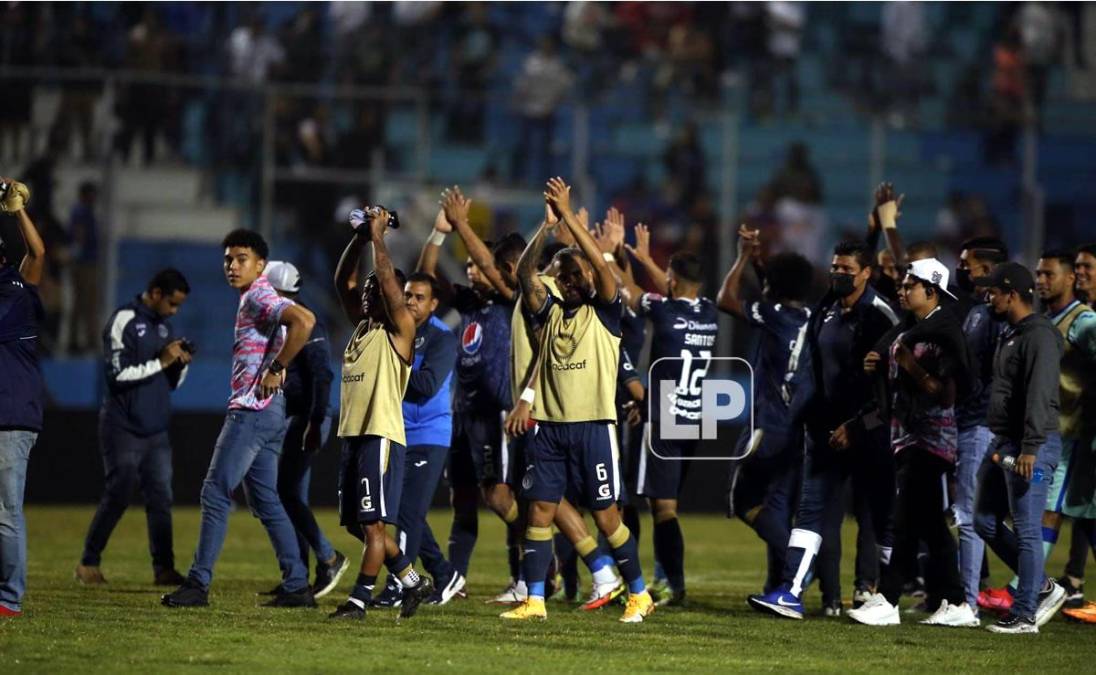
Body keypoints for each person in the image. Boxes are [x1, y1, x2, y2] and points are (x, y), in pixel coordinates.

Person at [501, 178, 653, 623]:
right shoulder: (547, 310)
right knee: (541, 511)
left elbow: (605, 275)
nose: (569, 281)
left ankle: (640, 594)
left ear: (588, 274)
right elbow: (526, 273)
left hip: (593, 426)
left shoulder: (605, 312)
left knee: (607, 518)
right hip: (548, 427)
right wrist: (546, 229)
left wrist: (569, 216)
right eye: (562, 276)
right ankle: (534, 600)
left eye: (575, 274)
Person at [161, 229, 318, 609]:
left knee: (215, 491)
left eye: (241, 258)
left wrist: (278, 366)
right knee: (266, 500)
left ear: (261, 265)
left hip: (252, 410)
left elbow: (306, 320)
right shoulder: (254, 296)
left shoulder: (260, 295)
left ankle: (197, 584)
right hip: (270, 411)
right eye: (228, 259)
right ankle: (297, 584)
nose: (232, 266)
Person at [748, 237, 899, 620]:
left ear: (866, 273)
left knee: (878, 518)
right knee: (811, 513)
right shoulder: (827, 309)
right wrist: (811, 418)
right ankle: (791, 593)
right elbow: (815, 370)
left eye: (847, 270)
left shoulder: (882, 316)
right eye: (835, 267)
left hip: (871, 433)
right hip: (826, 433)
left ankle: (891, 596)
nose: (839, 274)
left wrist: (859, 426)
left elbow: (893, 390)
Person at [849, 259, 978, 627]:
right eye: (903, 286)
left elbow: (948, 394)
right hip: (908, 436)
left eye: (910, 287)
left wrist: (910, 367)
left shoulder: (945, 332)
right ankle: (957, 604)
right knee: (929, 525)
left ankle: (887, 599)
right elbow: (889, 349)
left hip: (932, 439)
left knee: (906, 520)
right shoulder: (916, 324)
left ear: (931, 291)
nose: (903, 292)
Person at [415, 189, 525, 600]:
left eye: (478, 268)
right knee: (462, 496)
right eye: (470, 268)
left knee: (499, 496)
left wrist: (463, 224)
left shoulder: (511, 302)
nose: (472, 273)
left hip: (495, 413)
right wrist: (438, 233)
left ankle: (531, 568)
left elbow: (492, 271)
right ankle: (455, 578)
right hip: (462, 411)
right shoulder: (470, 304)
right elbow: (423, 283)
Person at [327, 208, 433, 620]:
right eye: (367, 288)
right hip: (354, 434)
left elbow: (389, 285)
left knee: (374, 529)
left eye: (377, 287)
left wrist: (378, 238)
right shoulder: (364, 327)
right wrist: (359, 238)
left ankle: (358, 602)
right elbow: (342, 282)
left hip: (381, 434)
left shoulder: (400, 328)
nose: (369, 292)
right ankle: (411, 581)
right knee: (357, 524)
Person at [76, 269, 192, 587]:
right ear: (155, 293)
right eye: (172, 303)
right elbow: (116, 375)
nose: (174, 311)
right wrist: (161, 363)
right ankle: (89, 562)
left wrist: (179, 367)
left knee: (161, 499)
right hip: (122, 426)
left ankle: (164, 569)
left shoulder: (165, 327)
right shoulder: (123, 320)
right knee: (119, 491)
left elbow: (169, 385)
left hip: (156, 430)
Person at [617, 243, 718, 608]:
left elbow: (627, 293)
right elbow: (674, 292)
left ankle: (669, 582)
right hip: (696, 415)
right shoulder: (708, 312)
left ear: (672, 281)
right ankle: (669, 579)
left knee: (661, 507)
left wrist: (622, 258)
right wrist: (647, 260)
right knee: (667, 505)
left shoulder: (662, 312)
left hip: (662, 414)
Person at [718, 225, 813, 606]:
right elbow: (774, 294)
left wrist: (742, 257)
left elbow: (726, 299)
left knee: (741, 501)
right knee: (777, 505)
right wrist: (761, 262)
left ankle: (799, 562)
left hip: (766, 426)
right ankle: (780, 587)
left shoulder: (773, 315)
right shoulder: (812, 318)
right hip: (798, 430)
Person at [973, 262, 1067, 633]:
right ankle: (1042, 586)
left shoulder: (1039, 336)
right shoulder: (1014, 332)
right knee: (983, 520)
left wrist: (1030, 447)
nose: (988, 297)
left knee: (1027, 528)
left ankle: (1026, 613)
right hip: (1004, 441)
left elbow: (1041, 394)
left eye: (993, 291)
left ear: (1011, 294)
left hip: (1032, 445)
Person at [372, 270, 466, 608]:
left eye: (419, 297)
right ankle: (443, 574)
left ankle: (399, 586)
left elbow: (426, 387)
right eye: (407, 295)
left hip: (429, 434)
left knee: (406, 514)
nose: (411, 301)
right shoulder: (397, 331)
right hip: (398, 432)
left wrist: (390, 370)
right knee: (397, 509)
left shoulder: (440, 338)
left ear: (434, 303)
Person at [258, 261, 348, 599]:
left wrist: (314, 420)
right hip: (297, 417)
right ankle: (299, 576)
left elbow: (323, 376)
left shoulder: (306, 323)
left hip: (308, 418)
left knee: (286, 492)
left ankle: (328, 557)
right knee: (293, 494)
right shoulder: (290, 320)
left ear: (278, 292)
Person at [1033, 252, 1096, 607]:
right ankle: (1055, 583)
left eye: (1047, 274)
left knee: (1048, 508)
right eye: (1038, 274)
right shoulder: (1046, 318)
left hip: (1072, 432)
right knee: (1083, 513)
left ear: (1068, 277)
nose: (1040, 280)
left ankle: (1026, 587)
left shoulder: (1084, 321)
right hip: (1048, 431)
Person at [951, 236, 1010, 616]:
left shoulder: (992, 318)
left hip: (980, 423)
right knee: (980, 518)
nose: (961, 270)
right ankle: (1038, 584)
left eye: (966, 264)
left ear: (987, 271)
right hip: (969, 421)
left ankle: (968, 604)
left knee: (969, 516)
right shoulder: (976, 311)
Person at [0, 179, 45, 617]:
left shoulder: (18, 291)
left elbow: (39, 253)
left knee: (6, 510)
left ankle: (9, 598)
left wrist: (16, 211)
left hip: (11, 416)